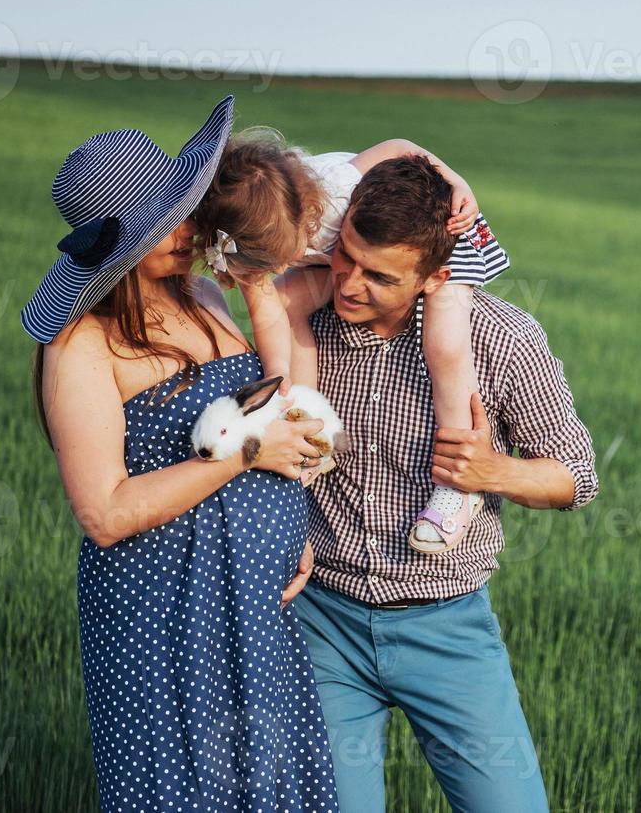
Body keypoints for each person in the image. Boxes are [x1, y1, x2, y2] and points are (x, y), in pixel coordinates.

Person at [22, 97, 339, 812]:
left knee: (272, 785)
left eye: (184, 206)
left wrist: (293, 527)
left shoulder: (202, 295)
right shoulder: (80, 348)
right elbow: (103, 514)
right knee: (182, 789)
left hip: (254, 599)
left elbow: (266, 404)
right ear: (124, 242)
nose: (191, 228)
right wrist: (244, 458)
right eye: (168, 220)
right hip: (163, 609)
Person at [279, 153, 600, 812]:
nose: (349, 285)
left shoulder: (503, 340)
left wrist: (493, 473)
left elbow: (576, 477)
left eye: (380, 276)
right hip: (321, 624)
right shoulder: (304, 319)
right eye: (346, 257)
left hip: (445, 627)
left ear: (437, 275)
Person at [191, 129, 508, 555]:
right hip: (364, 251)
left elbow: (398, 146)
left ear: (307, 217)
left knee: (444, 341)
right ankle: (310, 425)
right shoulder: (250, 233)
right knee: (286, 302)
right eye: (275, 263)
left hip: (441, 229)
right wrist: (279, 384)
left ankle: (456, 484)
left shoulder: (338, 186)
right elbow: (268, 310)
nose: (285, 265)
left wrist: (456, 183)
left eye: (289, 254)